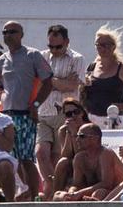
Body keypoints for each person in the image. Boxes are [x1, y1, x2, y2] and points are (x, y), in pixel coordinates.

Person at [0, 21, 53, 195]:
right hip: (6, 115)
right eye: (5, 32)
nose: (8, 35)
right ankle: (19, 193)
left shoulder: (33, 55)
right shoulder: (3, 58)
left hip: (25, 114)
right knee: (10, 158)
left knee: (26, 159)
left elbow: (48, 82)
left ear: (21, 34)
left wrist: (36, 104)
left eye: (12, 32)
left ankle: (33, 196)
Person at [36, 24, 84, 199]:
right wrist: (60, 83)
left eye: (58, 46)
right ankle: (51, 183)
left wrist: (49, 81)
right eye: (51, 46)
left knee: (58, 157)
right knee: (40, 153)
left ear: (67, 42)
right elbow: (40, 83)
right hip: (43, 112)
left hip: (65, 114)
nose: (54, 50)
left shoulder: (77, 58)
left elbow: (72, 85)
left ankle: (54, 192)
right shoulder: (41, 57)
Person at [53, 123, 123, 201]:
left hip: (117, 192)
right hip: (91, 194)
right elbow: (77, 184)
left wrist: (80, 193)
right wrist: (72, 192)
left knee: (99, 193)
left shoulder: (106, 154)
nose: (77, 139)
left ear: (95, 139)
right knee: (59, 196)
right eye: (77, 136)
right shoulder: (79, 158)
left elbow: (107, 183)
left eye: (81, 136)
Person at [83, 27, 123, 127]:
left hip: (115, 120)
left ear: (113, 47)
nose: (101, 48)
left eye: (104, 45)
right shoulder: (91, 67)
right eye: (98, 45)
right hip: (91, 119)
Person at [52, 98, 90, 195]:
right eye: (69, 114)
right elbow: (65, 155)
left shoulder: (89, 129)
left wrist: (74, 133)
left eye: (76, 112)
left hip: (88, 164)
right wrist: (69, 132)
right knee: (62, 162)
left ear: (82, 113)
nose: (73, 116)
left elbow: (82, 155)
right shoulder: (63, 130)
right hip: (72, 164)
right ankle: (55, 196)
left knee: (77, 159)